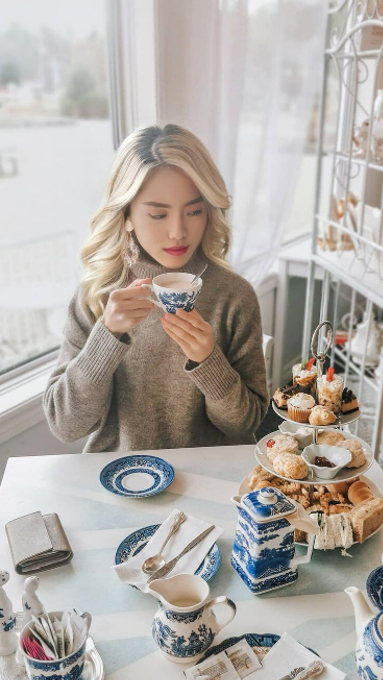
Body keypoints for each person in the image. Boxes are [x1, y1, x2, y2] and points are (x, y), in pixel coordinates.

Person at [43, 124, 267, 453]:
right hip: (118, 482)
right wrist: (106, 337)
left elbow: (247, 425)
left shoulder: (234, 297)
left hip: (208, 484)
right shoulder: (99, 295)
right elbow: (66, 425)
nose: (178, 232)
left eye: (193, 211)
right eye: (158, 214)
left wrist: (208, 360)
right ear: (127, 214)